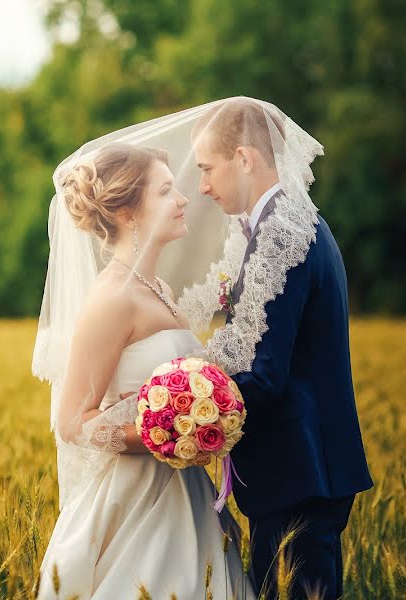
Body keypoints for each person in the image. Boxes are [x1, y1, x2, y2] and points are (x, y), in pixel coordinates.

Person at [32, 142, 253, 599]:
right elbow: (73, 420)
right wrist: (167, 436)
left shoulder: (157, 287)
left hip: (185, 491)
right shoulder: (112, 299)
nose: (183, 199)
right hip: (136, 500)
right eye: (166, 191)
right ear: (130, 213)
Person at [190, 97, 374, 599]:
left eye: (208, 168)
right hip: (301, 470)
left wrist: (190, 409)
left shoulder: (282, 234)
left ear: (245, 159)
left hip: (298, 475)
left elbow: (265, 374)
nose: (203, 185)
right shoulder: (285, 222)